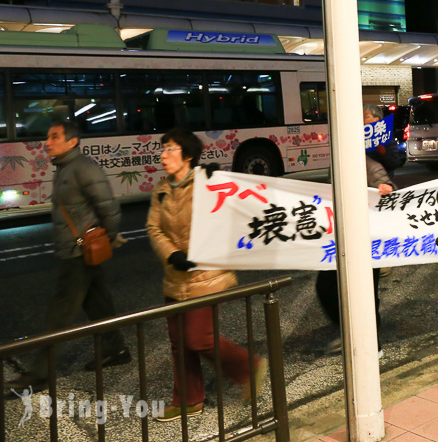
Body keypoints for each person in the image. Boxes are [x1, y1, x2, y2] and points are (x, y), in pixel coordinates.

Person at [147, 128, 266, 422]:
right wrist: (172, 255)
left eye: (170, 149)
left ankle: (248, 367)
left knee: (199, 339)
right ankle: (187, 400)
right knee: (178, 344)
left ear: (187, 155)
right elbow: (154, 228)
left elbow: (233, 213)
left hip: (207, 275)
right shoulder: (161, 190)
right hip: (175, 277)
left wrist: (219, 179)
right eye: (162, 150)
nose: (163, 155)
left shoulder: (208, 183)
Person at [6, 121, 130, 392]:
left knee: (59, 314)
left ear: (72, 141)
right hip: (77, 248)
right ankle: (117, 350)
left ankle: (39, 375)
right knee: (99, 304)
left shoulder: (83, 168)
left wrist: (106, 237)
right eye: (48, 136)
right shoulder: (65, 167)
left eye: (54, 136)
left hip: (79, 251)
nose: (47, 141)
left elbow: (108, 206)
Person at [318, 121, 396, 357]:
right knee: (326, 287)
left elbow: (389, 190)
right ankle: (348, 331)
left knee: (366, 294)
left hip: (366, 242)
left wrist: (386, 188)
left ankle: (373, 344)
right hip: (341, 239)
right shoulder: (339, 165)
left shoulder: (370, 166)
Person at [363, 104, 403, 179]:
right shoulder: (358, 136)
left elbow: (395, 163)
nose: (363, 119)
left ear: (376, 119)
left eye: (366, 117)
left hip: (382, 180)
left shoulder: (386, 137)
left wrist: (384, 153)